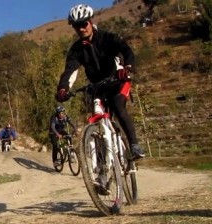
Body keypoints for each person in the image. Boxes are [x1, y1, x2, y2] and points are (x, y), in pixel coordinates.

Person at [55, 4, 145, 161]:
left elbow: (126, 49)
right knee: (97, 115)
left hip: (117, 80)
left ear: (90, 21)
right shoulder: (76, 50)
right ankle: (102, 167)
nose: (81, 29)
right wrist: (63, 89)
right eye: (77, 26)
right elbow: (69, 71)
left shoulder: (106, 38)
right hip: (98, 87)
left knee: (117, 105)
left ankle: (134, 145)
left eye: (84, 24)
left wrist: (128, 67)